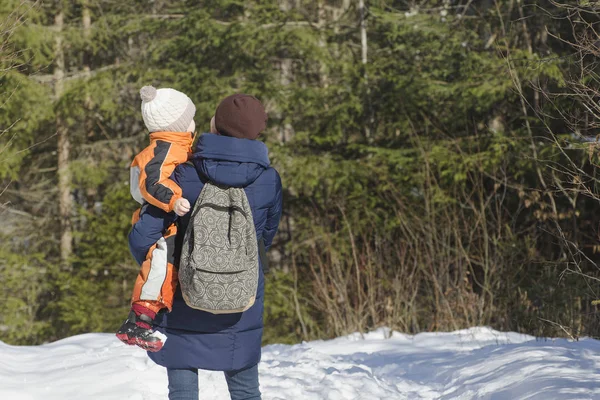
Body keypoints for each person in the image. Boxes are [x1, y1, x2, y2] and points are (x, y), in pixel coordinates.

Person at [128, 94, 283, 400]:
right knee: (246, 391)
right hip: (242, 299)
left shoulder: (180, 175)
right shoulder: (268, 179)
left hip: (184, 298)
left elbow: (143, 236)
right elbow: (265, 236)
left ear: (213, 124)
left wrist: (160, 266)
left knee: (183, 390)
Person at [116, 85, 196, 351]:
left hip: (156, 219)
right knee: (160, 266)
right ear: (177, 124)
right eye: (189, 118)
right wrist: (174, 199)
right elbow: (152, 183)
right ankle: (139, 322)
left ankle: (143, 320)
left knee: (160, 267)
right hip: (162, 218)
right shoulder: (165, 149)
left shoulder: (170, 145)